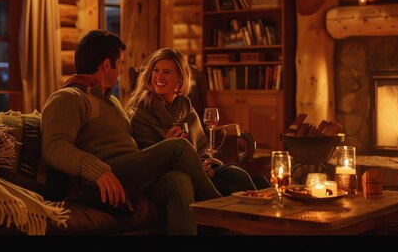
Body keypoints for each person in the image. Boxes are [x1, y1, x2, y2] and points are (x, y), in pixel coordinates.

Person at [41, 30, 221, 235]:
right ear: (106, 65)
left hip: (134, 172)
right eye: (120, 63)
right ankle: (220, 207)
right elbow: (54, 146)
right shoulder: (68, 97)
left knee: (179, 181)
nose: (122, 70)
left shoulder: (112, 101)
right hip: (111, 170)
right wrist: (97, 171)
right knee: (178, 147)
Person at [124, 48, 257, 196]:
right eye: (156, 70)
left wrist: (206, 165)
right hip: (167, 174)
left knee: (239, 176)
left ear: (180, 79)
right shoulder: (140, 112)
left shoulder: (186, 107)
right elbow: (146, 161)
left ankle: (259, 212)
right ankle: (217, 204)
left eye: (166, 72)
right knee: (231, 188)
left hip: (201, 170)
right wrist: (169, 146)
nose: (159, 77)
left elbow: (203, 149)